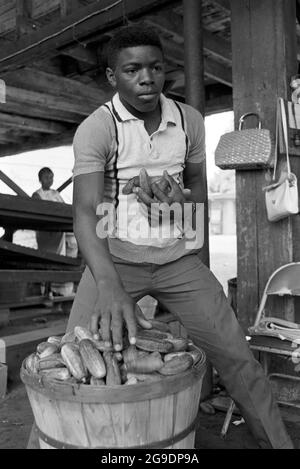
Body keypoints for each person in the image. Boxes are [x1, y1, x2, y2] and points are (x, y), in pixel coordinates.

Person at [27, 24, 293, 449]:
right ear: (113, 77)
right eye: (132, 70)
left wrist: (180, 198)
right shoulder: (98, 129)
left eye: (155, 67)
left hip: (178, 263)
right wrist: (109, 287)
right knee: (69, 368)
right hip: (112, 264)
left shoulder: (189, 122)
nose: (146, 78)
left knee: (240, 361)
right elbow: (83, 213)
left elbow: (198, 195)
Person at [32, 167, 66, 256]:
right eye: (46, 178)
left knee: (59, 253)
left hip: (59, 229)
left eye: (51, 177)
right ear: (40, 180)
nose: (49, 180)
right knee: (46, 253)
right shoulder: (37, 194)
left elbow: (64, 207)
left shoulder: (55, 193)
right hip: (45, 229)